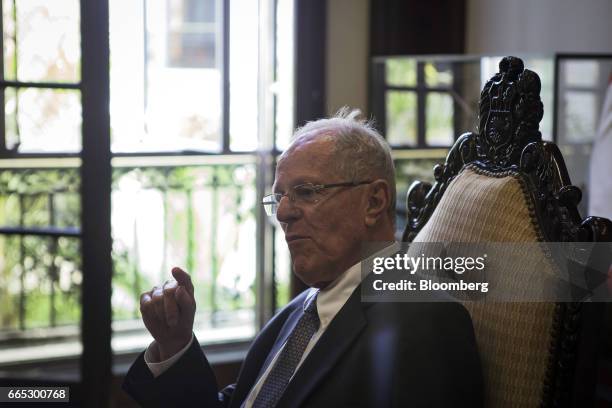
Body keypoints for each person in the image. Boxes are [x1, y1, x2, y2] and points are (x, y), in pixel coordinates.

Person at [123, 109, 483, 407]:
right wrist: (175, 345)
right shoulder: (300, 312)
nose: (283, 213)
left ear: (373, 202)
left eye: (306, 192)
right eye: (278, 197)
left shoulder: (424, 321)